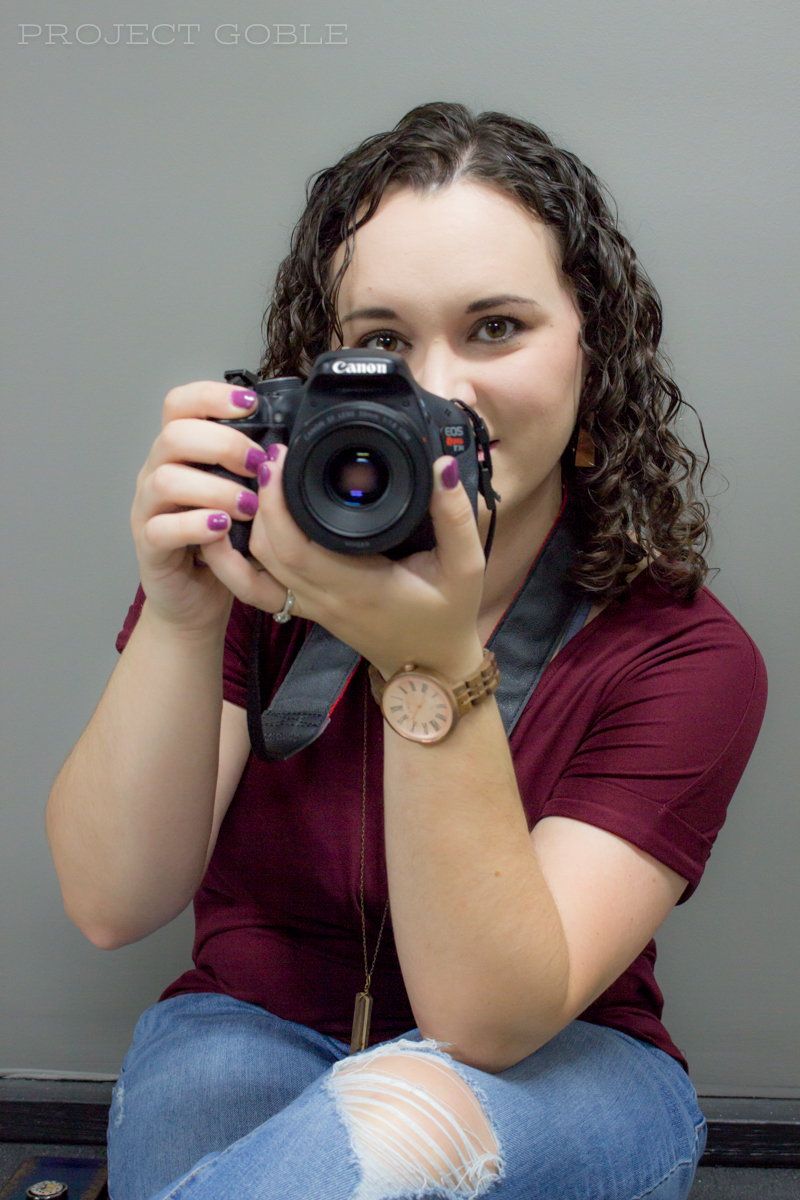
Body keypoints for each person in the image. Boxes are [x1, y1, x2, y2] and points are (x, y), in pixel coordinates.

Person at [47, 102, 767, 1200]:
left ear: (592, 358)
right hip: (248, 1020)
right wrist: (184, 616)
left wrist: (428, 664)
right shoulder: (259, 566)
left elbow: (485, 1020)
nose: (438, 390)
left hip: (555, 1066)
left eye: (493, 329)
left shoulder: (679, 654)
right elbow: (110, 903)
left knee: (394, 1128)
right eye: (381, 342)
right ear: (321, 373)